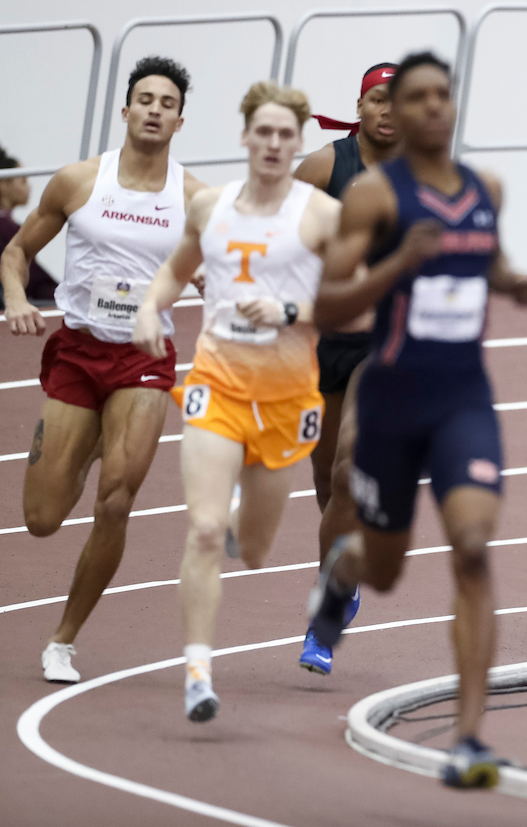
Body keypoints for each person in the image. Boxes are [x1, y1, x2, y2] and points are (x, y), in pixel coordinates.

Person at [306, 51, 527, 788]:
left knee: (473, 546)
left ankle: (469, 737)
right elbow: (329, 305)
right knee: (383, 566)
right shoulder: (375, 197)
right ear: (395, 114)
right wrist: (396, 261)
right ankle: (337, 579)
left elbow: (485, 260)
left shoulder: (485, 188)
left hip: (464, 396)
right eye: (419, 97)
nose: (435, 107)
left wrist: (512, 280)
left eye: (445, 94)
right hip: (392, 397)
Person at [132, 81, 340, 722]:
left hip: (286, 399)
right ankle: (198, 671)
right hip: (216, 387)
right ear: (245, 136)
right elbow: (175, 269)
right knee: (200, 529)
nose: (275, 144)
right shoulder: (209, 207)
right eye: (265, 132)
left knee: (252, 549)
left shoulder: (321, 216)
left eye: (287, 135)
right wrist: (149, 305)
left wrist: (289, 310)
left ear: (298, 143)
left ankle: (242, 516)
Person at [0, 57, 205, 684]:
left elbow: (217, 276)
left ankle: (63, 640)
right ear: (125, 111)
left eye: (165, 102)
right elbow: (15, 253)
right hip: (78, 353)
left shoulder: (193, 199)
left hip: (144, 361)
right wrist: (15, 300)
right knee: (41, 521)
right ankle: (86, 446)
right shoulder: (78, 181)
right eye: (143, 98)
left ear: (178, 120)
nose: (153, 109)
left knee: (117, 501)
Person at [290, 62, 401, 676]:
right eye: (376, 100)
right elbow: (280, 238)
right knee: (328, 481)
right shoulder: (323, 167)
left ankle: (325, 611)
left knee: (351, 460)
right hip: (322, 340)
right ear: (359, 107)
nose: (387, 111)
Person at [0, 145, 57, 306]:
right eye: (23, 180)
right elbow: (36, 281)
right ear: (3, 184)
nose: (29, 187)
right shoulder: (7, 228)